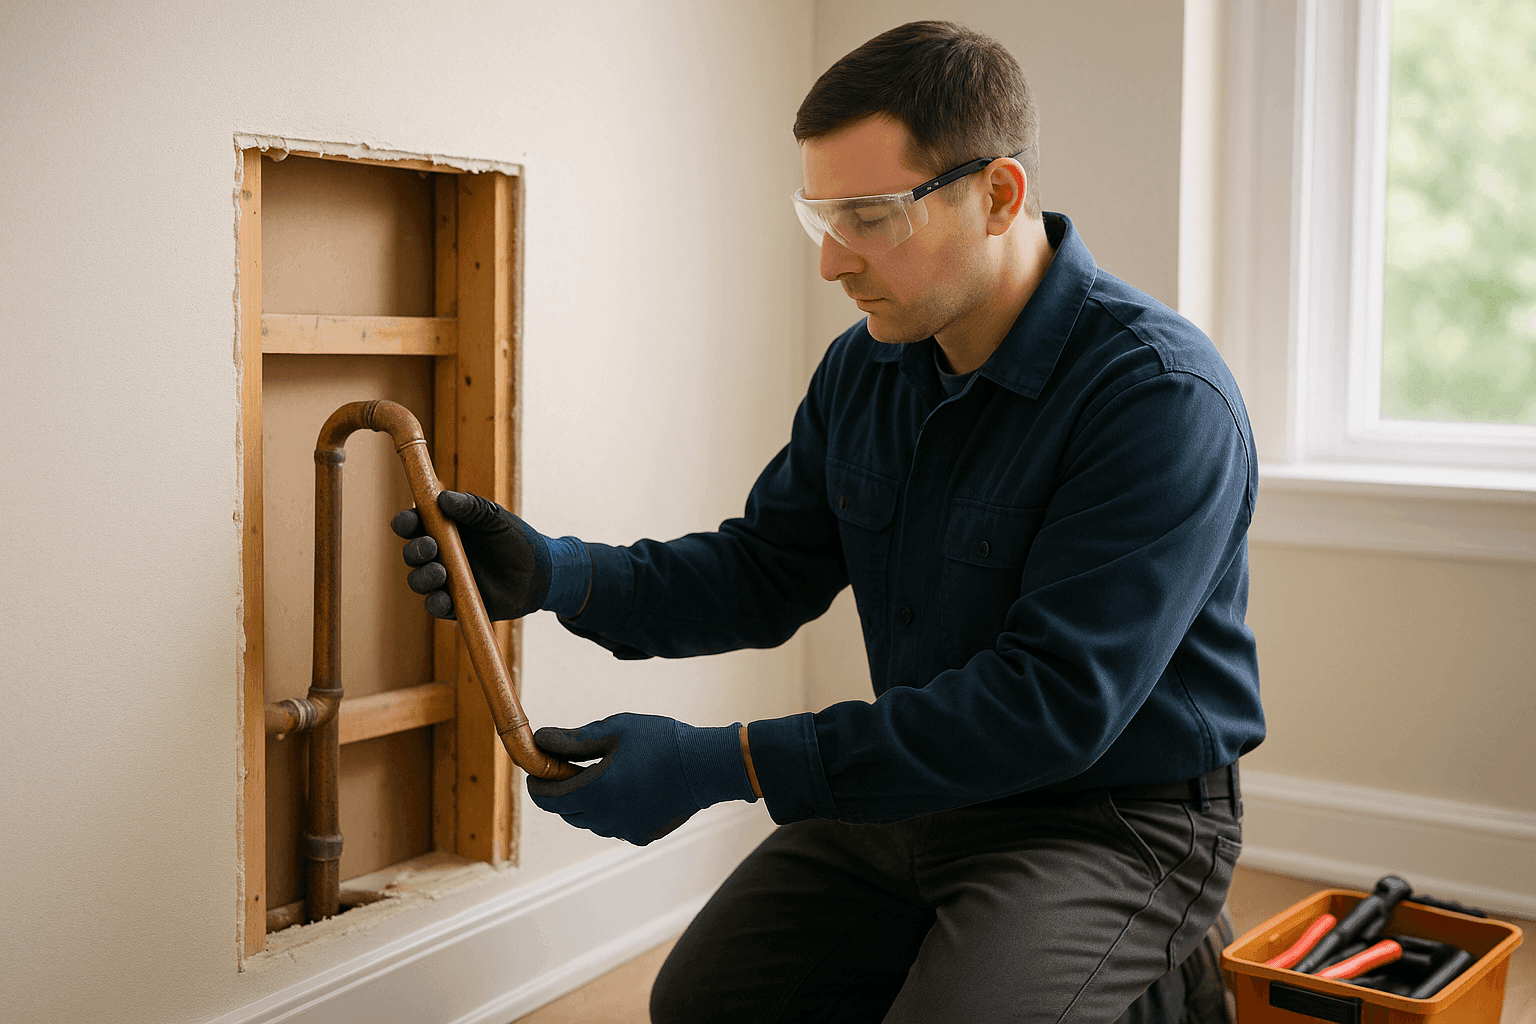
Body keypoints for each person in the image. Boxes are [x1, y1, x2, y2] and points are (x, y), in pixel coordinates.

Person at [393, 21, 1263, 1023]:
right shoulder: (870, 367)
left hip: (1115, 820)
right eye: (822, 219)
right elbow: (767, 568)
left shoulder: (1157, 396)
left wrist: (732, 761)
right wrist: (560, 574)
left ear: (998, 195)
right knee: (703, 1002)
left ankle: (1163, 975)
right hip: (926, 786)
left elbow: (1050, 705)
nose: (833, 263)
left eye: (870, 217)